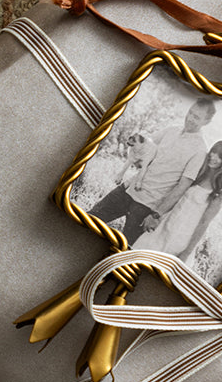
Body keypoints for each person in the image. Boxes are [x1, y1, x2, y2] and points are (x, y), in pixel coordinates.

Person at [90, 96, 216, 240]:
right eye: (191, 113)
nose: (190, 119)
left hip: (146, 208)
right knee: (89, 219)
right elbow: (144, 146)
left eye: (197, 117)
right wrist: (136, 158)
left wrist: (156, 215)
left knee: (122, 250)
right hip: (128, 190)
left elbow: (182, 187)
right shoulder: (171, 130)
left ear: (206, 121)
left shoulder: (200, 150)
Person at [142, 139, 222, 265]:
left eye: (219, 156)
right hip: (165, 225)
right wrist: (156, 216)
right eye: (213, 152)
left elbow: (204, 224)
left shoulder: (217, 192)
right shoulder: (197, 175)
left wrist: (187, 252)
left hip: (181, 238)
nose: (213, 157)